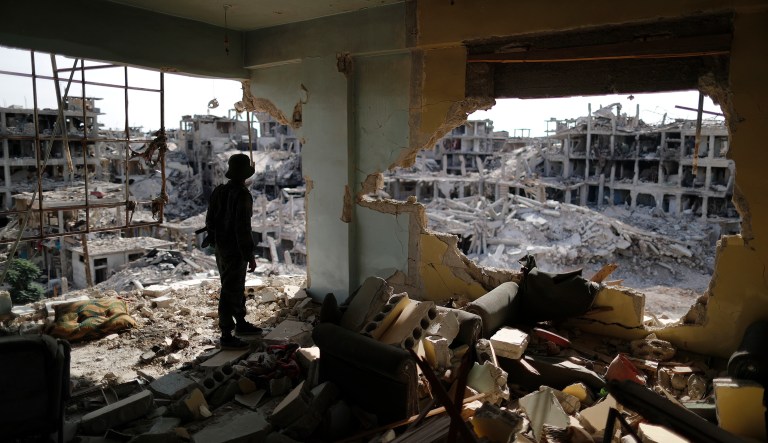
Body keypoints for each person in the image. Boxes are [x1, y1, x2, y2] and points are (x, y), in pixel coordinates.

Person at [205, 153, 262, 349]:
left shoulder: (219, 191)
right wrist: (249, 255)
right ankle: (226, 335)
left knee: (233, 286)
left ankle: (241, 323)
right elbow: (243, 228)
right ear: (245, 175)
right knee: (231, 289)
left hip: (221, 248)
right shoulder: (243, 195)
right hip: (235, 250)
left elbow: (210, 220)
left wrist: (214, 239)